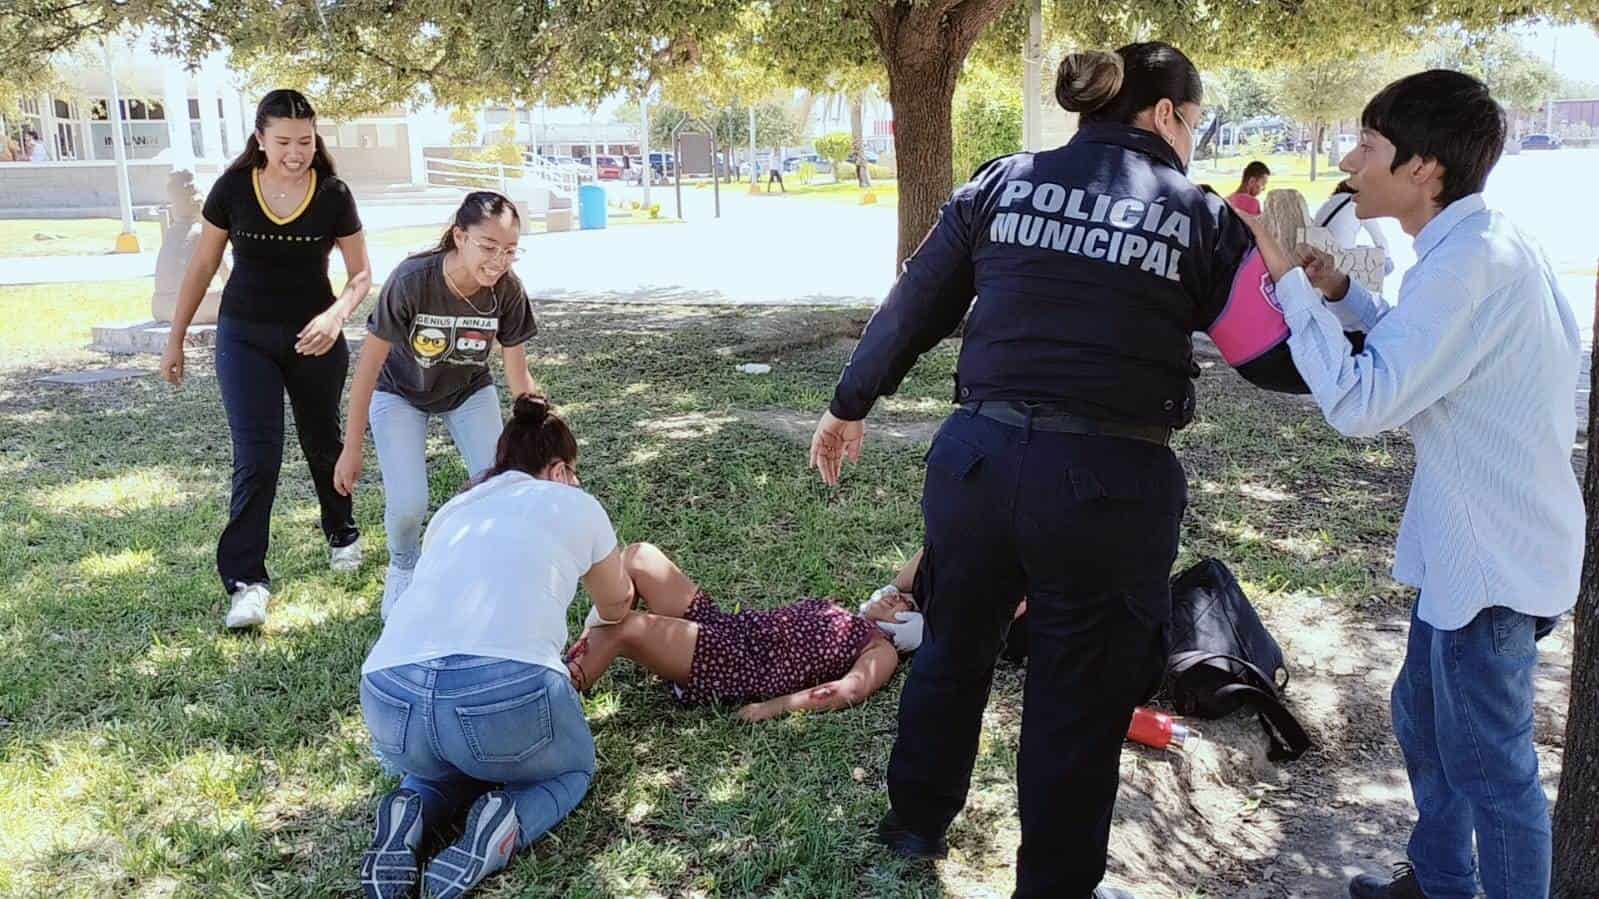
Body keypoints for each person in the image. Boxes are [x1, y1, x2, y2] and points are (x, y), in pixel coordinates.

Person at [806, 42, 1307, 899]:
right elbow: (1267, 361)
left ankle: (914, 823)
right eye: (1195, 121)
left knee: (955, 647)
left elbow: (915, 302)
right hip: (1109, 484)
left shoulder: (1002, 180)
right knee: (1076, 696)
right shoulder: (1198, 214)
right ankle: (1053, 885)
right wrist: (1306, 288)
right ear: (1164, 115)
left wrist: (849, 402)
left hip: (977, 463)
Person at [1251, 71, 1581, 899]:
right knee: (1425, 724)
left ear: (1422, 168)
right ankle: (1438, 881)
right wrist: (1340, 293)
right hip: (1474, 550)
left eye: (1366, 145)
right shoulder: (1480, 247)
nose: (1347, 159)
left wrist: (1288, 283)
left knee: (1491, 772)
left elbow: (1363, 402)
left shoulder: (1466, 266)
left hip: (1489, 563)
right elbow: (1420, 353)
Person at [358, 395, 633, 899]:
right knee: (571, 770)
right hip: (502, 692)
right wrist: (597, 628)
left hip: (389, 691)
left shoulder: (454, 509)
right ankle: (505, 823)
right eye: (574, 471)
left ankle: (409, 813)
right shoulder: (575, 501)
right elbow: (618, 603)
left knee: (441, 767)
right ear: (558, 469)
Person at [158, 89, 372, 630]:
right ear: (260, 139)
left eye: (305, 141)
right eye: (283, 142)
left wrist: (335, 317)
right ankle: (246, 582)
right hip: (243, 337)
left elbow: (361, 274)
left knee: (322, 440)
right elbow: (204, 263)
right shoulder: (233, 188)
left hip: (315, 339)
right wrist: (176, 337)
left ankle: (342, 532)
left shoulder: (333, 194)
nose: (295, 152)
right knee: (258, 456)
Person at [333, 192, 539, 617]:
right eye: (488, 247)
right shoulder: (413, 280)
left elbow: (518, 377)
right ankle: (404, 567)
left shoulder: (508, 291)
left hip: (467, 391)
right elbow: (368, 369)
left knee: (498, 489)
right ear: (459, 237)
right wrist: (351, 448)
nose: (499, 261)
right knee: (409, 503)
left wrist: (545, 436)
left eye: (510, 251)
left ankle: (488, 576)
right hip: (399, 393)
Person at [563, 542, 925, 720]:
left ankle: (545, 696)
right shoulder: (857, 617)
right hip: (727, 629)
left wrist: (771, 708)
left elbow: (849, 689)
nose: (896, 596)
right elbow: (929, 553)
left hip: (734, 663)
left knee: (624, 629)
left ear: (910, 629)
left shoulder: (882, 649)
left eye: (905, 606)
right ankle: (578, 653)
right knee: (638, 557)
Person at [1312, 179, 1393, 275]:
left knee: (1361, 247)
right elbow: (1378, 237)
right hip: (1340, 260)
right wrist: (1387, 259)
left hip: (1317, 254)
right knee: (1388, 265)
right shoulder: (1358, 204)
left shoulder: (1328, 203)